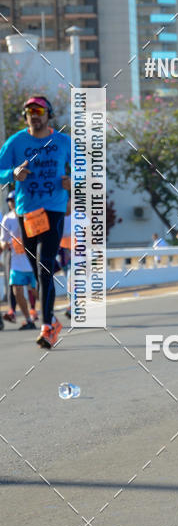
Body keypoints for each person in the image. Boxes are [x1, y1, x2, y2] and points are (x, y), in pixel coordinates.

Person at [0, 96, 70, 348]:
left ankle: (46, 327)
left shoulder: (63, 141)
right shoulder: (16, 142)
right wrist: (12, 174)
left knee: (45, 267)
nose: (34, 115)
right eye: (30, 111)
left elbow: (86, 170)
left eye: (39, 110)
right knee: (38, 271)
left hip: (53, 208)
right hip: (26, 213)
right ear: (25, 116)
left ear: (48, 114)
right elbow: (0, 170)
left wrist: (73, 181)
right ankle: (51, 320)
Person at [0, 191, 37, 329]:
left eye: (15, 199)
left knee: (37, 292)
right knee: (17, 292)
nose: (12, 202)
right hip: (16, 263)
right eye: (10, 200)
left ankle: (49, 316)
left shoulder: (31, 215)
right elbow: (2, 241)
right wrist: (5, 245)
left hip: (32, 262)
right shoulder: (7, 219)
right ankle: (28, 320)